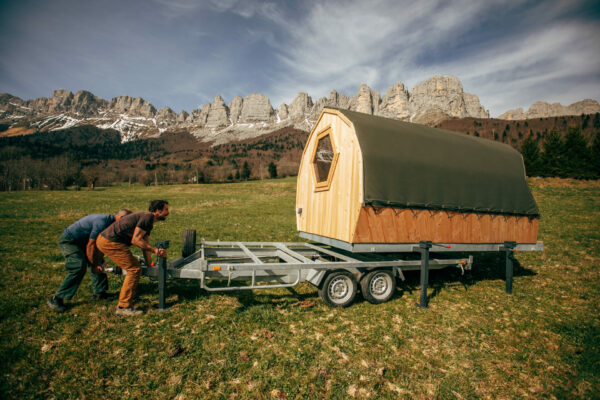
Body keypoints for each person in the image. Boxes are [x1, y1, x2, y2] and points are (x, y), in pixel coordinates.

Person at [47, 209, 132, 313]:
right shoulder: (102, 222)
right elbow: (91, 245)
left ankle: (100, 293)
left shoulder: (110, 223)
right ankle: (57, 298)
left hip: (84, 242)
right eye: (126, 222)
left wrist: (97, 262)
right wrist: (94, 264)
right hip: (70, 241)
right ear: (122, 218)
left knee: (98, 261)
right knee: (78, 266)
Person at [96, 200, 169, 316]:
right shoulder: (147, 218)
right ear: (157, 211)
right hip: (110, 242)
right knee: (134, 269)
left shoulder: (148, 221)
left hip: (106, 240)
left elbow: (145, 244)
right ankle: (123, 307)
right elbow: (136, 240)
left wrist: (150, 264)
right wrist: (155, 250)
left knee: (135, 268)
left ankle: (129, 299)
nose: (168, 212)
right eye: (166, 210)